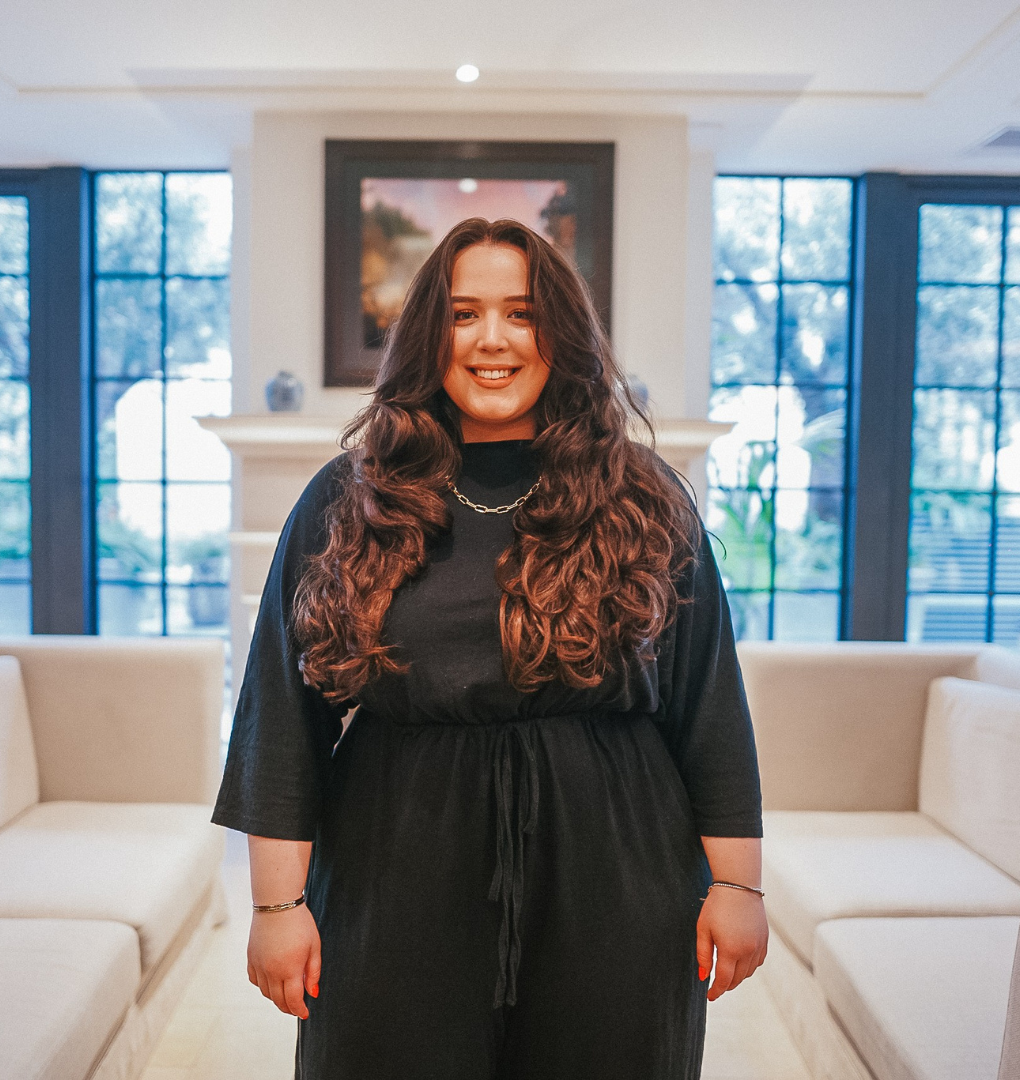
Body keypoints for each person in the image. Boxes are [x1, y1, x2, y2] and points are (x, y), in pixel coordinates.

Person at [212, 217, 767, 1080]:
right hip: (394, 866)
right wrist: (276, 906)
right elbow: (280, 719)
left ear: (563, 335)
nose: (493, 339)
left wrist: (737, 885)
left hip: (615, 870)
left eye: (522, 312)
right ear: (428, 336)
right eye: (464, 314)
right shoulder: (349, 499)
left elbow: (710, 706)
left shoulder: (641, 496)